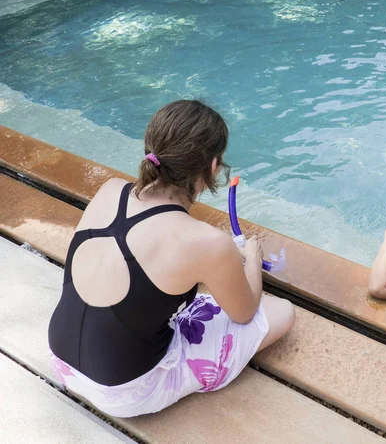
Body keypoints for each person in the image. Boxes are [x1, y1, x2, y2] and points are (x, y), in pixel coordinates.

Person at [48, 100, 295, 418]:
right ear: (212, 167)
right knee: (282, 313)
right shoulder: (206, 242)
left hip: (62, 362)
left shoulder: (111, 190)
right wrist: (251, 256)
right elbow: (245, 313)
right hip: (125, 392)